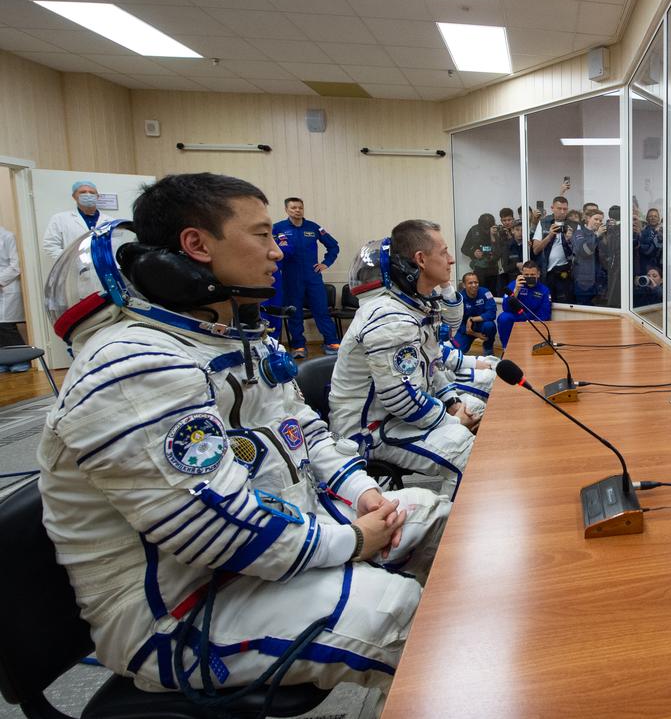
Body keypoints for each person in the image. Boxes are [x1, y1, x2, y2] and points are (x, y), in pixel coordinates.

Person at [39, 173, 450, 698]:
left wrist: (362, 492)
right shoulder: (132, 367)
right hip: (181, 607)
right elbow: (216, 529)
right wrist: (351, 540)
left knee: (438, 521)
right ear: (197, 244)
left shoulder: (229, 336)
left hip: (268, 547)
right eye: (261, 235)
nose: (277, 251)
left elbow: (305, 431)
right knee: (405, 615)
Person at [329, 225, 477, 500]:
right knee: (467, 451)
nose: (451, 259)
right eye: (444, 252)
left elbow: (431, 366)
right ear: (421, 260)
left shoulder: (411, 306)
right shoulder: (389, 316)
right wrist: (451, 421)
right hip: (369, 430)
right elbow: (401, 399)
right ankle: (449, 523)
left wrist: (452, 403)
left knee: (476, 411)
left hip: (392, 417)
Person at [273, 196, 341, 358]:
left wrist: (325, 263)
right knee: (294, 313)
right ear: (286, 210)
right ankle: (298, 346)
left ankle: (331, 342)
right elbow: (271, 250)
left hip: (312, 277)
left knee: (321, 310)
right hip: (290, 278)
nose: (297, 210)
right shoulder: (278, 228)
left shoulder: (314, 227)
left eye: (300, 207)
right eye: (293, 208)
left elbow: (333, 246)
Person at [42, 180, 117, 261]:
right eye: (83, 192)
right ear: (74, 196)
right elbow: (50, 245)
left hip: (104, 265)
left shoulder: (110, 221)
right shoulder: (60, 219)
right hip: (74, 266)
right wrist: (73, 260)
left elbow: (116, 245)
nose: (88, 195)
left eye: (92, 192)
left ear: (97, 196)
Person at [530, 189, 574, 303]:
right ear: (552, 208)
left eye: (565, 209)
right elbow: (535, 250)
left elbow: (578, 252)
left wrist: (570, 240)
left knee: (565, 304)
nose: (562, 212)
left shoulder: (572, 224)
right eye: (559, 208)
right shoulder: (544, 223)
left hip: (565, 271)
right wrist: (549, 236)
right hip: (547, 272)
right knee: (546, 302)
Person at [496, 261, 552, 347]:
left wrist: (533, 322)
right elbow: (506, 308)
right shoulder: (514, 285)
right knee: (503, 317)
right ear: (522, 274)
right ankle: (506, 348)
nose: (529, 277)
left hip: (533, 319)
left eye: (532, 275)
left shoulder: (544, 290)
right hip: (517, 317)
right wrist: (516, 290)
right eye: (526, 275)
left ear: (538, 274)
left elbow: (545, 312)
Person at [454, 271, 497, 356]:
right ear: (464, 285)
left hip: (482, 325)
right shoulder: (459, 298)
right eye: (470, 283)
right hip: (466, 329)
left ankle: (488, 349)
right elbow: (457, 321)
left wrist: (472, 319)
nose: (474, 285)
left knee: (489, 326)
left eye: (476, 282)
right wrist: (473, 333)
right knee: (457, 349)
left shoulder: (485, 292)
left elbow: (492, 313)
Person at [0, 224, 24, 371]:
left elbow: (15, 266)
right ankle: (4, 361)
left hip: (7, 287)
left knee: (6, 326)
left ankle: (21, 360)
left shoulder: (7, 236)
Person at [571, 210, 607, 305]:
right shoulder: (579, 233)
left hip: (599, 282)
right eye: (596, 219)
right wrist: (596, 235)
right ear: (587, 218)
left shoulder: (602, 235)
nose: (598, 222)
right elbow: (584, 251)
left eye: (600, 220)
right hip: (584, 283)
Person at [460, 212, 501, 293]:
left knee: (493, 292)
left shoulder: (497, 230)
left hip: (493, 267)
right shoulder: (474, 230)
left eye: (488, 228)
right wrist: (473, 253)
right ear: (480, 225)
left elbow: (503, 249)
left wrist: (494, 237)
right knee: (479, 291)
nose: (486, 231)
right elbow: (464, 248)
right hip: (479, 267)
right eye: (484, 228)